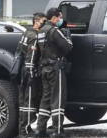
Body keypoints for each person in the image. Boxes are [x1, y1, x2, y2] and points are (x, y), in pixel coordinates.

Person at [36, 8, 73, 137]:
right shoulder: (54, 31)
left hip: (44, 68)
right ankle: (57, 130)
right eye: (59, 17)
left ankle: (40, 128)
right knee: (58, 98)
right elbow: (68, 47)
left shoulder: (41, 31)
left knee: (45, 98)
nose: (60, 20)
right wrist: (68, 36)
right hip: (55, 68)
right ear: (53, 18)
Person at [18, 12, 47, 138]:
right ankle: (24, 131)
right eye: (43, 21)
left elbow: (21, 51)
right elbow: (31, 57)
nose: (44, 23)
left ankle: (24, 129)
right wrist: (31, 74)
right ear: (36, 21)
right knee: (29, 101)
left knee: (25, 100)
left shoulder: (26, 32)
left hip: (25, 71)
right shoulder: (34, 36)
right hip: (30, 71)